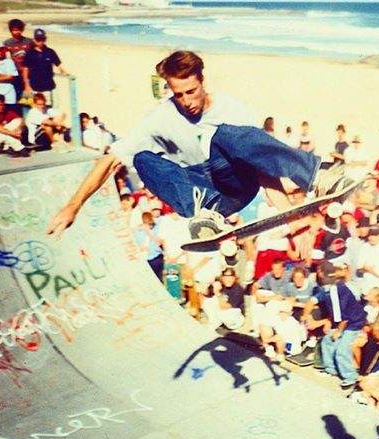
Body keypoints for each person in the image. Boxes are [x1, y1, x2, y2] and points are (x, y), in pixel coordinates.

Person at [47, 50, 350, 240]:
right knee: (140, 157)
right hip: (201, 193)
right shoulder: (160, 117)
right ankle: (203, 213)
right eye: (178, 94)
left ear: (203, 81)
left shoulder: (233, 109)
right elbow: (110, 160)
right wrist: (73, 205)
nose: (186, 102)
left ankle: (315, 175)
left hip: (237, 183)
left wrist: (290, 216)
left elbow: (262, 165)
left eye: (191, 91)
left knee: (224, 135)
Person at [303, 261, 366, 389]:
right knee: (327, 341)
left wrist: (338, 332)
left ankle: (350, 376)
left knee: (341, 349)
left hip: (353, 323)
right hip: (342, 322)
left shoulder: (337, 291)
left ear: (322, 274)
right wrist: (306, 316)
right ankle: (331, 369)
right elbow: (312, 301)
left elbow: (344, 318)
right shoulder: (326, 288)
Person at [23, 28, 68, 96]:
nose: (40, 41)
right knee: (35, 106)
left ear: (45, 39)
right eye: (38, 39)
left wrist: (64, 72)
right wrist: (27, 85)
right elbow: (25, 69)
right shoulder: (29, 53)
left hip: (49, 87)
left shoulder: (50, 52)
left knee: (49, 106)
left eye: (42, 39)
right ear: (34, 40)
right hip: (34, 88)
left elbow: (58, 64)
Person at [3, 18, 33, 99]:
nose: (17, 32)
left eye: (19, 30)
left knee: (29, 96)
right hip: (15, 73)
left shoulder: (29, 41)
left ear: (22, 30)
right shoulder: (7, 43)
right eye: (14, 30)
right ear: (11, 31)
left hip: (29, 73)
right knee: (17, 96)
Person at [133, 211, 164, 280]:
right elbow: (140, 246)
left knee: (159, 279)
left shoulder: (155, 228)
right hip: (144, 259)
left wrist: (148, 232)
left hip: (156, 257)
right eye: (146, 223)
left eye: (150, 223)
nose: (149, 225)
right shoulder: (137, 231)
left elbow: (158, 243)